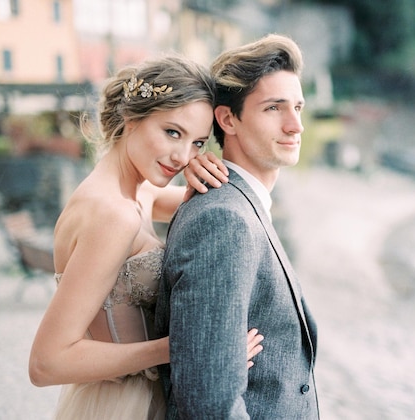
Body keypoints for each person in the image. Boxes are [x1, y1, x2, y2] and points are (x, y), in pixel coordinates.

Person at [28, 53, 264, 420]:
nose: (181, 155)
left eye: (198, 143)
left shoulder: (136, 191)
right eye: (172, 132)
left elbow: (216, 212)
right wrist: (182, 346)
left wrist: (208, 172)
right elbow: (46, 363)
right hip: (125, 405)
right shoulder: (114, 215)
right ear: (131, 119)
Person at [155, 34, 319, 419]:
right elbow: (211, 403)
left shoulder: (244, 206)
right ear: (228, 119)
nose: (295, 125)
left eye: (298, 106)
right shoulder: (224, 220)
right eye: (274, 108)